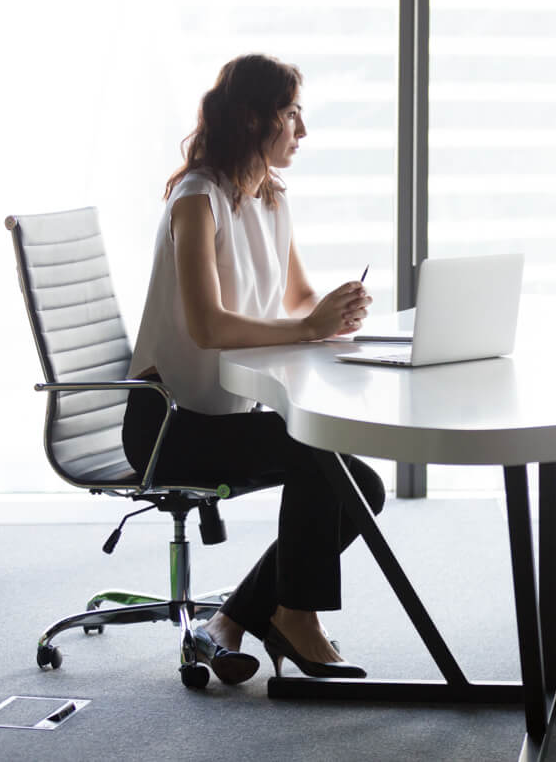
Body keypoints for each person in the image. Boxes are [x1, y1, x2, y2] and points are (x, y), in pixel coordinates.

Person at [122, 54, 387, 686]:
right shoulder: (196, 199)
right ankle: (297, 618)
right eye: (291, 113)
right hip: (168, 425)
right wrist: (307, 328)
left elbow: (297, 299)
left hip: (227, 413)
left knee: (363, 488)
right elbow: (208, 326)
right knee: (317, 458)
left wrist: (333, 312)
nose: (302, 129)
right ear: (252, 117)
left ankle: (235, 620)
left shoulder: (269, 193)